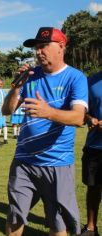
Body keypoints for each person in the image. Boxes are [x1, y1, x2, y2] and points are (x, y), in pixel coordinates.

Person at [2, 27, 88, 236]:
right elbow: (6, 110)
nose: (38, 52)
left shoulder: (75, 78)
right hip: (24, 162)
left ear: (61, 47)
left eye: (43, 46)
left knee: (57, 225)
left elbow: (78, 118)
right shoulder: (30, 76)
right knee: (15, 217)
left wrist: (49, 112)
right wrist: (15, 88)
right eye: (36, 48)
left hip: (56, 163)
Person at [80, 71, 102, 236]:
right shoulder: (91, 81)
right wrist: (89, 118)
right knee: (93, 188)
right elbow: (81, 109)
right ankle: (90, 228)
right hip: (95, 146)